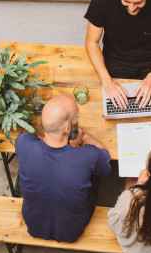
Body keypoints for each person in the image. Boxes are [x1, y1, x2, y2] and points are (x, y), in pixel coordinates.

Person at [15, 94, 111, 243]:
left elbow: (37, 140)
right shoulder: (88, 156)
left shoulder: (23, 143)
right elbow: (105, 157)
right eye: (76, 117)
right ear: (67, 129)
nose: (77, 119)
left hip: (33, 224)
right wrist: (82, 139)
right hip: (71, 230)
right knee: (97, 171)